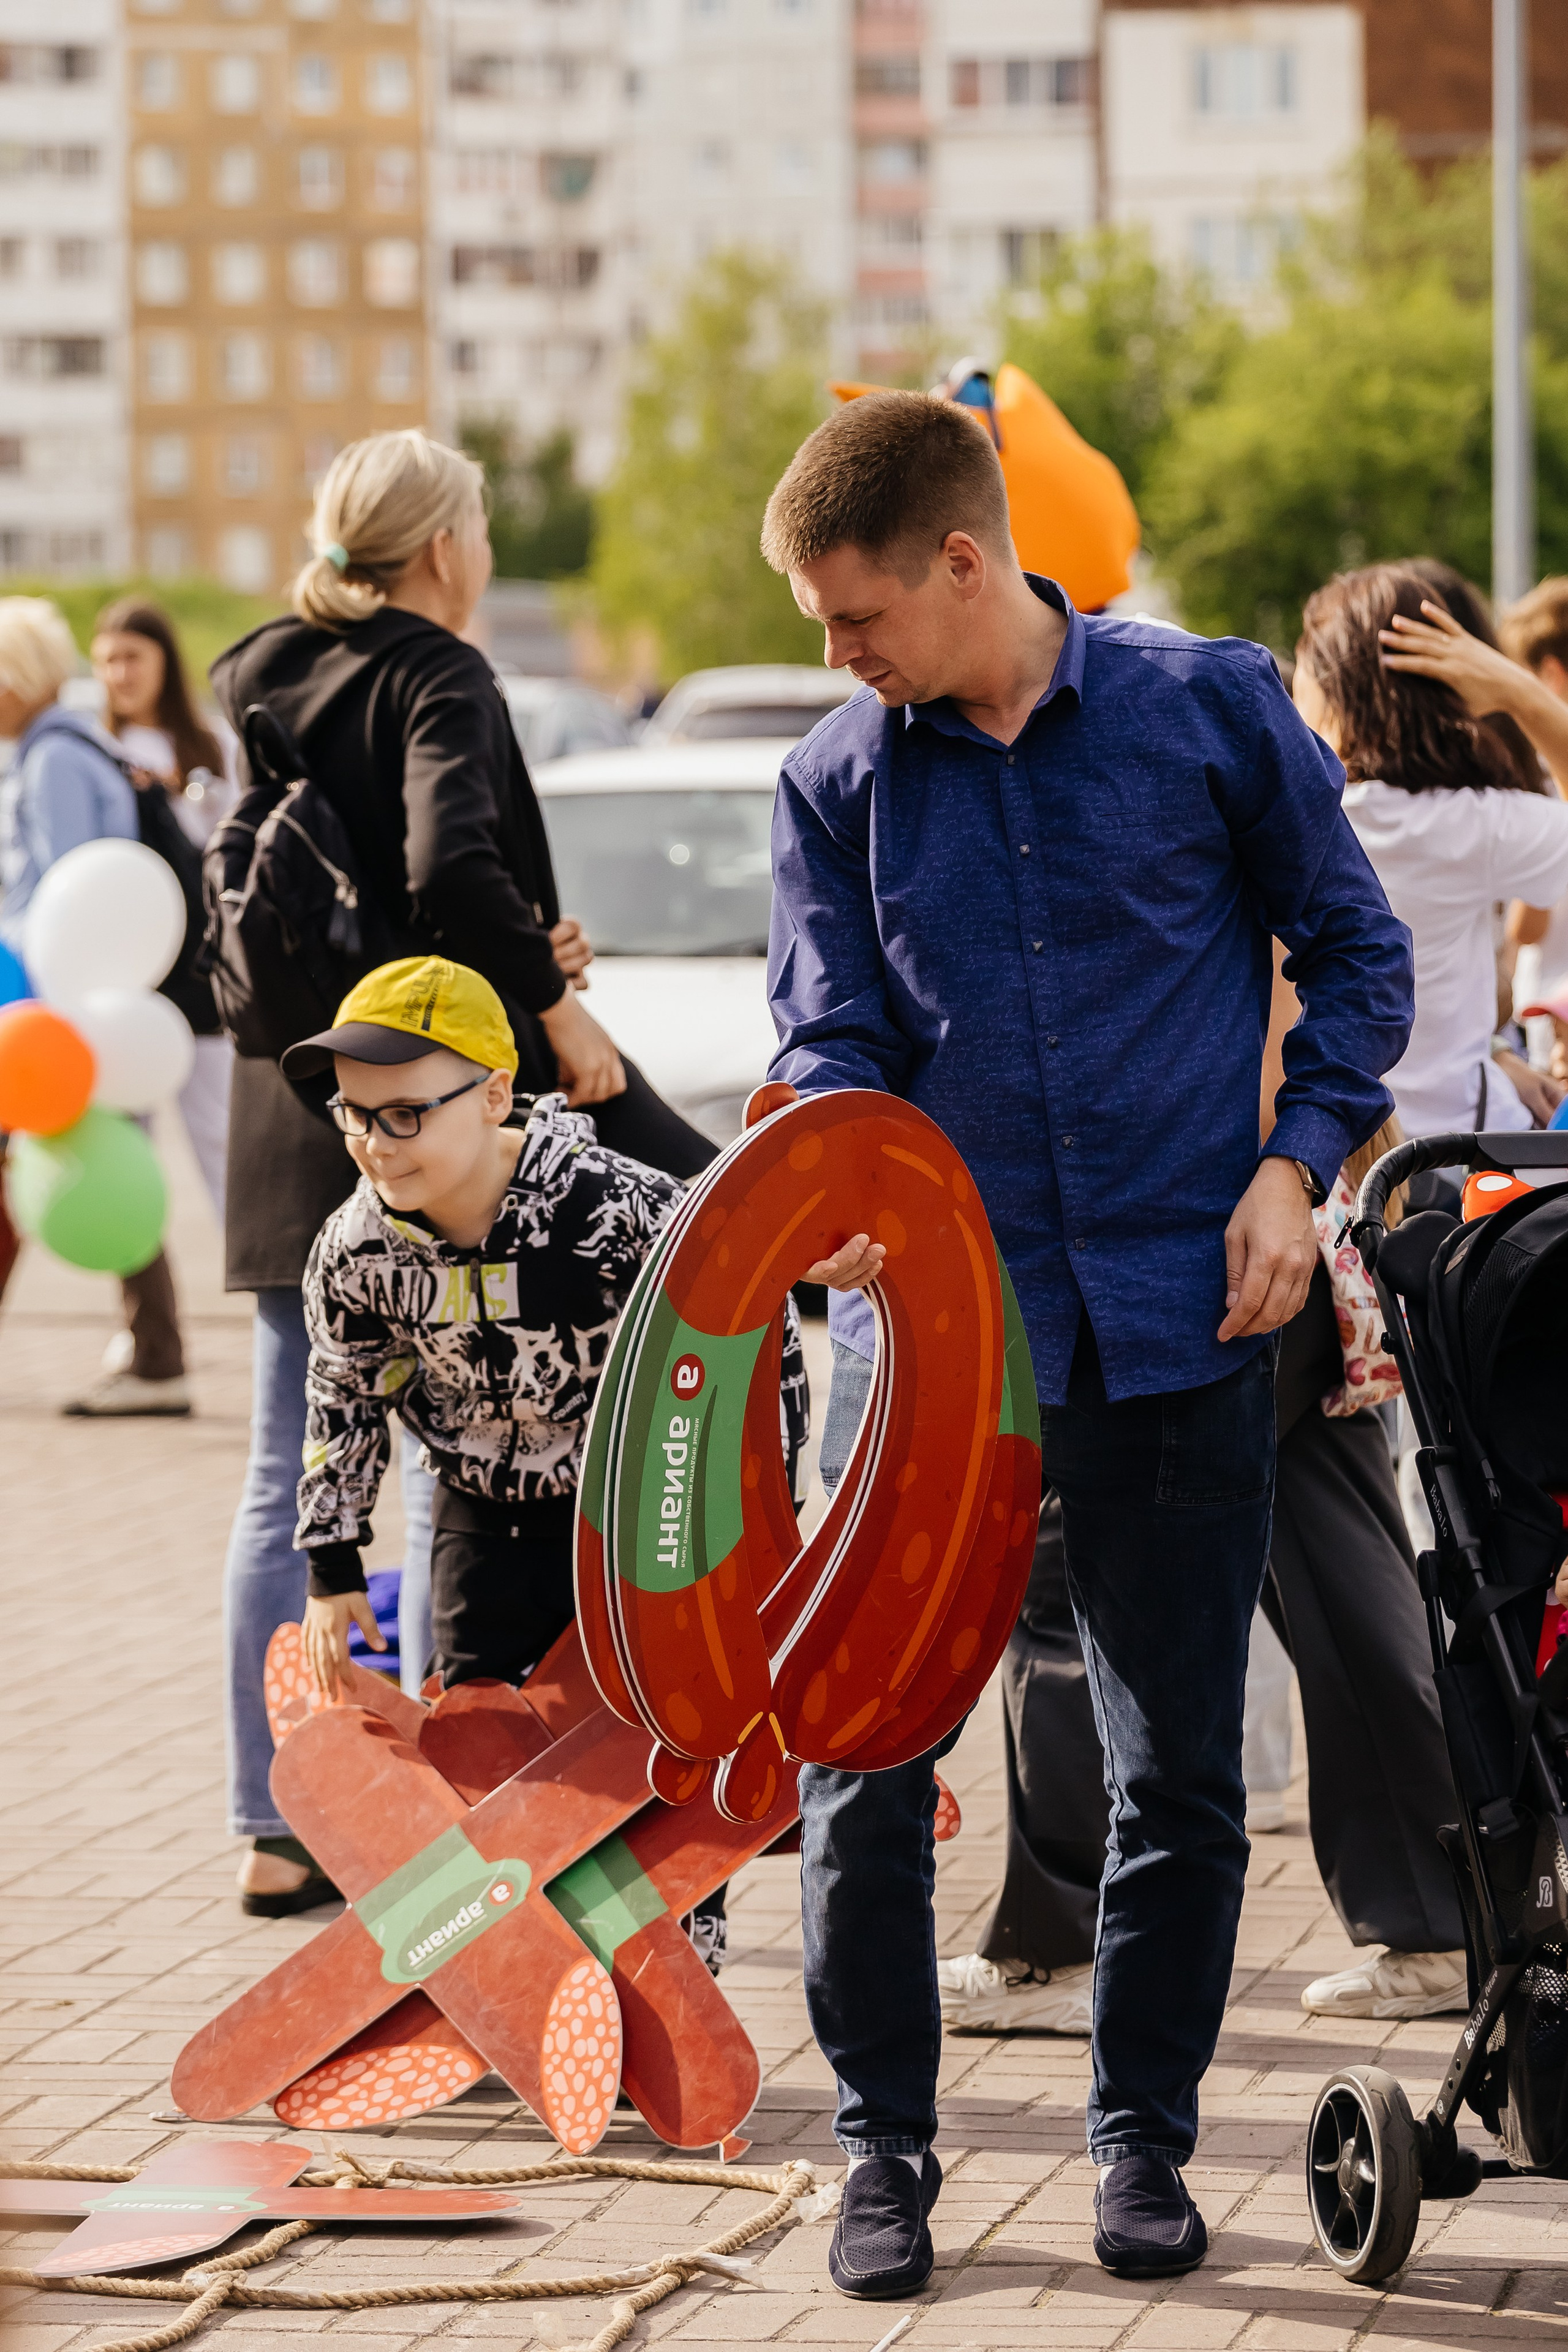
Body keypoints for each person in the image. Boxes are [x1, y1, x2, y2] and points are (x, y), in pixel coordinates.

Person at [758, 391, 1413, 2292]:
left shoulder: (1206, 708)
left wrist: (1295, 1164)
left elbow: (1354, 948)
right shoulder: (835, 778)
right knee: (862, 1772)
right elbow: (832, 1032)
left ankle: (1141, 2141)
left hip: (1182, 1332)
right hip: (927, 1361)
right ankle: (884, 2149)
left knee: (1175, 1776)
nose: (837, 652)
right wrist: (834, 1152)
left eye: (856, 613)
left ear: (963, 561)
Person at [207, 431, 720, 1915]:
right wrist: (548, 998)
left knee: (290, 1464)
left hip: (293, 1106)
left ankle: (278, 1817)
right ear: (445, 548)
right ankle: (468, 1801)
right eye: (480, 528)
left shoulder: (265, 666)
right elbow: (445, 868)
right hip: (436, 1113)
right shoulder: (436, 670)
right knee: (453, 1452)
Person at [282, 952, 807, 1969]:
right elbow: (343, 1389)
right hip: (480, 1509)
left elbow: (758, 1336)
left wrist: (761, 1518)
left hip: (633, 1516)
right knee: (477, 1734)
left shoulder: (621, 1213)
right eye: (353, 1114)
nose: (375, 1143)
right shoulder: (356, 1250)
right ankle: (517, 1965)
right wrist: (331, 1561)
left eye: (405, 1115)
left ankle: (674, 1954)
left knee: (653, 1735)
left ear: (492, 1095)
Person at [1295, 565, 1568, 1156]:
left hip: (1329, 1154)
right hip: (1468, 1156)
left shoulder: (1289, 817)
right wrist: (1520, 693)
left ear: (1336, 689)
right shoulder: (1469, 821)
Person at [0, 595, 191, 1415]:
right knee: (97, 1169)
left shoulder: (53, 762)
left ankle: (159, 1354)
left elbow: (64, 896)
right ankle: (157, 1351)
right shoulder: (76, 749)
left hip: (48, 1005)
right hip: (62, 1005)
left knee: (91, 1167)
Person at [91, 598, 238, 1227]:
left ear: (164, 662)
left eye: (133, 657)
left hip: (201, 968)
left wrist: (179, 791)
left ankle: (252, 1271)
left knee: (218, 1133)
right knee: (129, 1142)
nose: (120, 674)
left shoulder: (213, 744)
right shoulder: (98, 750)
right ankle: (145, 1285)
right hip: (127, 973)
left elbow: (232, 846)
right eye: (107, 661)